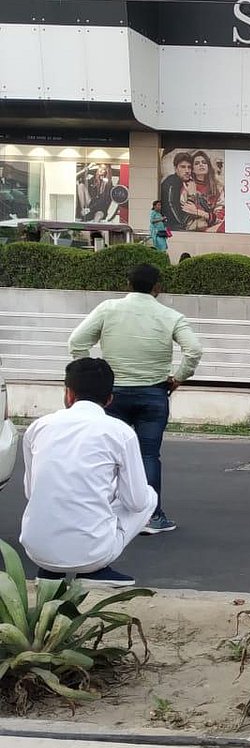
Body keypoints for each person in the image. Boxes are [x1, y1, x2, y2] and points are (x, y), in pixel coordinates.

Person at [67, 263, 204, 535]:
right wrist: (179, 377)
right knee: (148, 455)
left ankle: (103, 513)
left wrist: (94, 378)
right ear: (157, 287)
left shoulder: (108, 309)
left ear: (128, 285)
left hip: (112, 395)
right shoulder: (171, 316)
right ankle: (151, 517)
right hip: (154, 393)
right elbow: (194, 350)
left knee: (106, 455)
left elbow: (77, 342)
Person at [20, 358, 157, 586]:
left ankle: (50, 573)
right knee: (149, 496)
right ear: (109, 399)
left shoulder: (38, 427)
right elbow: (137, 502)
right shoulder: (120, 432)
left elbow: (31, 491)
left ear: (69, 394)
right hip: (92, 555)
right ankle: (95, 571)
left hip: (37, 551)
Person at [182, 150, 224, 233]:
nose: (201, 164)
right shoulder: (187, 186)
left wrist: (200, 212)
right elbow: (186, 210)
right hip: (193, 229)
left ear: (208, 166)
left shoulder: (218, 187)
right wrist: (192, 195)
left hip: (213, 228)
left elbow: (220, 216)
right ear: (193, 169)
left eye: (204, 162)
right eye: (197, 163)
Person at [158, 152, 192, 230]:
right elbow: (172, 207)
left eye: (189, 167)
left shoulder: (186, 183)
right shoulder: (172, 183)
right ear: (176, 168)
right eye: (183, 167)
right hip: (172, 228)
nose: (187, 170)